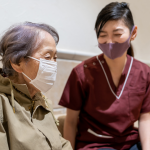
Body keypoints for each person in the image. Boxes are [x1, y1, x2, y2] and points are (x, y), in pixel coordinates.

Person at [59, 2, 150, 150]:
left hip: (129, 143)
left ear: (133, 33)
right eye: (102, 35)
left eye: (117, 34)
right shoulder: (82, 72)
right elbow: (70, 122)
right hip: (95, 144)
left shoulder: (144, 72)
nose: (109, 42)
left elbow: (146, 119)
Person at [0, 22, 72, 150]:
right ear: (17, 63)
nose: (53, 65)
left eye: (55, 58)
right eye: (47, 57)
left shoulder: (42, 101)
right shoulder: (2, 105)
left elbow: (61, 143)